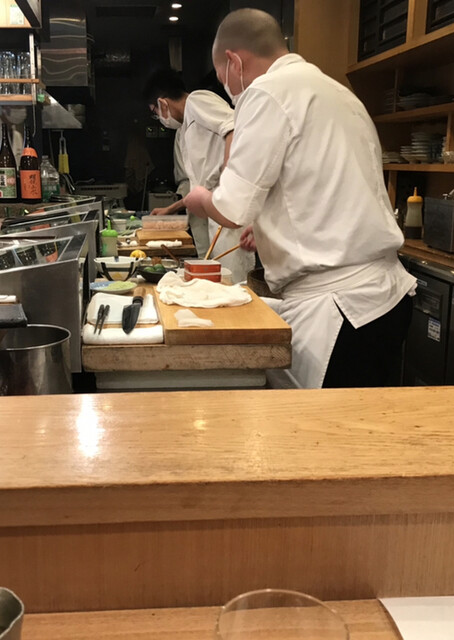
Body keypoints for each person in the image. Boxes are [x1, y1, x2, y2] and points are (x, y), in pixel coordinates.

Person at [184, 9, 417, 390]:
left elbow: (231, 208)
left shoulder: (266, 92)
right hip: (384, 299)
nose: (229, 89)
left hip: (342, 308)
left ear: (233, 61)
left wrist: (200, 198)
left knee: (321, 426)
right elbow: (323, 185)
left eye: (224, 78)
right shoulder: (337, 92)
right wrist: (271, 229)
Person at [143, 68, 254, 282]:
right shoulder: (186, 128)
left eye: (155, 112)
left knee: (233, 282)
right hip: (215, 212)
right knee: (219, 281)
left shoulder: (197, 101)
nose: (159, 118)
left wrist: (229, 181)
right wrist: (171, 209)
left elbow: (233, 128)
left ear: (162, 103)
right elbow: (199, 187)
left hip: (228, 210)